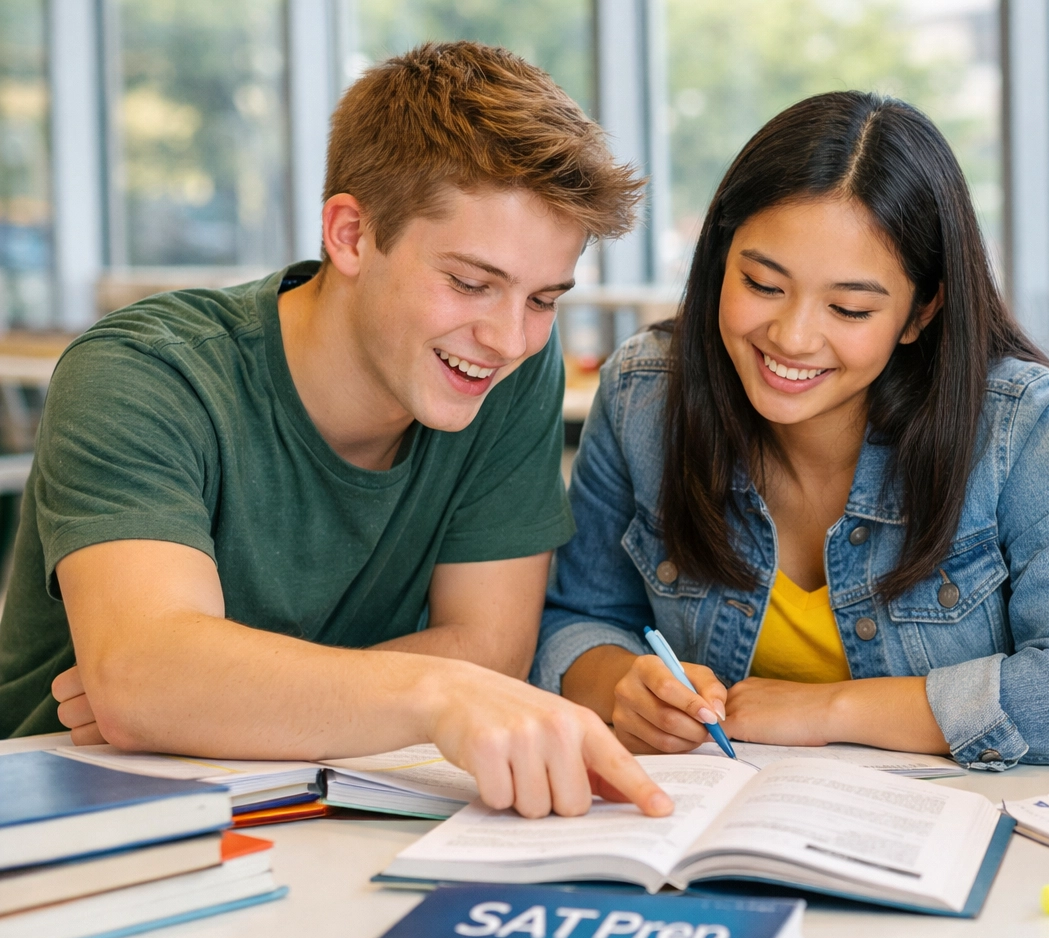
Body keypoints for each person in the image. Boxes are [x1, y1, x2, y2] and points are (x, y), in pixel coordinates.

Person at [0, 42, 672, 820]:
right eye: (469, 282)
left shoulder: (504, 369)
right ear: (349, 234)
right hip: (85, 831)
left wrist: (213, 694)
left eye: (544, 299)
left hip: (332, 815)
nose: (510, 337)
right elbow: (146, 679)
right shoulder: (145, 372)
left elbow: (492, 648)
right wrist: (433, 689)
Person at [534, 91, 1049, 769]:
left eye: (850, 309)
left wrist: (827, 711)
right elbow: (574, 619)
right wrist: (622, 686)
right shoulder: (645, 393)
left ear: (921, 313)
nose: (793, 337)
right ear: (720, 259)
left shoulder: (1012, 423)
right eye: (763, 285)